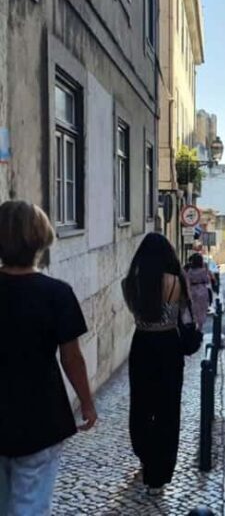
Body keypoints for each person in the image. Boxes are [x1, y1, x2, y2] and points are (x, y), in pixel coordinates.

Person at [0, 201, 96, 514]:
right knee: (29, 506)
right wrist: (87, 401)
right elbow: (71, 358)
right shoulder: (56, 294)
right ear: (41, 240)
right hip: (40, 417)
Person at [122, 233, 195, 495]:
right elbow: (187, 316)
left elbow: (134, 311)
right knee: (167, 409)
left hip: (142, 345)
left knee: (141, 406)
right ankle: (159, 474)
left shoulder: (130, 284)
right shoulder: (176, 282)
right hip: (168, 347)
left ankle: (145, 456)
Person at [186, 253, 214, 330]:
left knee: (194, 310)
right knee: (202, 310)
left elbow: (187, 281)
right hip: (202, 291)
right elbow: (207, 280)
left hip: (193, 290)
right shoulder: (203, 271)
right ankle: (200, 328)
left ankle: (195, 325)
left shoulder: (190, 271)